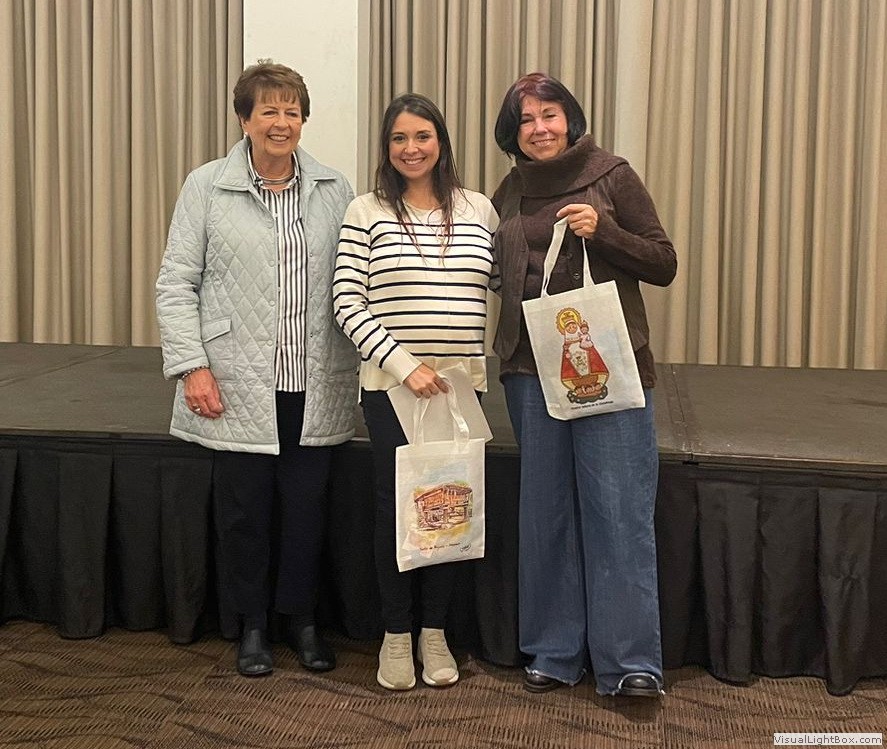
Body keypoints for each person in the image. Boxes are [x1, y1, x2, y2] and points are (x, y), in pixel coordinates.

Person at [155, 61, 358, 678]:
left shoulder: (335, 189)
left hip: (314, 382)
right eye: (268, 110)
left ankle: (301, 620)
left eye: (292, 111)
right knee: (244, 515)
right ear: (244, 119)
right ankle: (251, 625)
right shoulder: (206, 186)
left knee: (307, 512)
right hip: (237, 381)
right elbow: (176, 284)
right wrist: (191, 366)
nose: (281, 122)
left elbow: (355, 280)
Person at [490, 72, 677, 696]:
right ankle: (553, 650)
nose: (539, 128)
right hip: (528, 369)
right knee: (545, 513)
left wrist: (606, 232)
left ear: (570, 119)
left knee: (619, 511)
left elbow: (664, 262)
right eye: (525, 120)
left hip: (609, 367)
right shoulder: (509, 190)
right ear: (512, 133)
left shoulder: (612, 175)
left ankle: (631, 663)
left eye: (549, 115)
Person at [333, 93, 498, 691]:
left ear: (441, 142)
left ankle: (435, 632)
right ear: (386, 147)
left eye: (422, 136)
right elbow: (346, 302)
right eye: (399, 138)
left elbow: (507, 281)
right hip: (392, 388)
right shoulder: (366, 211)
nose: (411, 148)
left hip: (459, 390)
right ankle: (396, 634)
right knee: (400, 508)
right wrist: (405, 366)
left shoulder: (480, 209)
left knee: (449, 508)